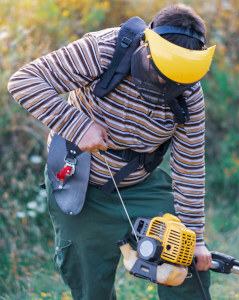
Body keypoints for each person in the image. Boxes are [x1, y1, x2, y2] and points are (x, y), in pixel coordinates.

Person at [8, 4, 215, 300]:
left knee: (185, 259)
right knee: (89, 283)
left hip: (140, 184)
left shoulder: (190, 92)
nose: (166, 85)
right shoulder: (104, 49)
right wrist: (78, 127)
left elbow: (189, 168)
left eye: (177, 80)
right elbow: (24, 81)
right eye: (161, 73)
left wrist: (196, 240)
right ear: (146, 45)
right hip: (80, 182)